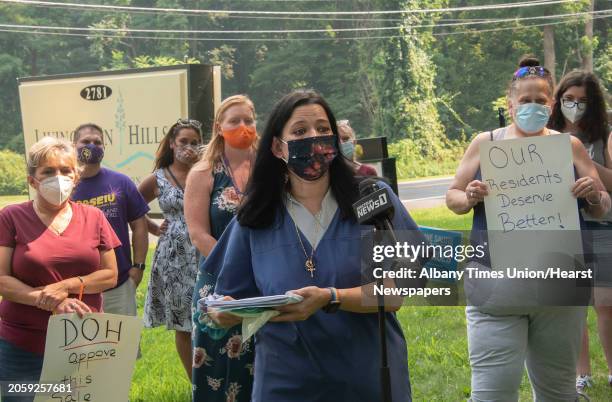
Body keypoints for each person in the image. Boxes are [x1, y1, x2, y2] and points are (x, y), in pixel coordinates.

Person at [206, 89, 420, 401]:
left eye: (323, 129)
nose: (314, 138)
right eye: (300, 131)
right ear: (278, 146)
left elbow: (395, 291)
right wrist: (225, 311)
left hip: (368, 378)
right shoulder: (256, 216)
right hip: (284, 381)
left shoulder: (372, 199)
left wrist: (330, 297)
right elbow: (233, 297)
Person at [446, 56, 611, 402]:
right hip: (495, 287)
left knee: (557, 392)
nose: (532, 106)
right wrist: (469, 196)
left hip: (560, 287)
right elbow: (453, 197)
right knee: (493, 393)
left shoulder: (569, 146)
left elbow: (602, 203)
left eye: (540, 100)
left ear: (550, 105)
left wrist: (592, 194)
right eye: (525, 100)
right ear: (510, 104)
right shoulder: (485, 142)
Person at [0, 137, 119, 401]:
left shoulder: (94, 217)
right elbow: (2, 281)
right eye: (48, 172)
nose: (59, 177)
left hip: (82, 341)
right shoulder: (11, 217)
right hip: (23, 345)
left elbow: (110, 275)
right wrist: (53, 303)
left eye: (66, 170)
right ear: (33, 180)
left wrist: (66, 286)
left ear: (76, 177)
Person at [186, 95, 258, 401]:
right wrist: (236, 266)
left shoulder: (272, 171)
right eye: (234, 121)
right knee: (217, 367)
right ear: (219, 127)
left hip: (263, 279)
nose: (243, 127)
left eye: (249, 120)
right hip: (218, 280)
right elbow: (198, 233)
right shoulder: (203, 173)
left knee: (256, 365)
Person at [548, 70, 612, 392]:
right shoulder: (546, 135)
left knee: (606, 301)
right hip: (565, 227)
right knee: (575, 303)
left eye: (582, 101)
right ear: (558, 101)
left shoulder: (604, 136)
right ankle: (582, 372)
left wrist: (583, 158)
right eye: (568, 99)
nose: (574, 106)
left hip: (602, 225)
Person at [138, 118, 202, 380]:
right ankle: (195, 385)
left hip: (205, 250)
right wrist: (153, 228)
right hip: (174, 256)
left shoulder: (208, 171)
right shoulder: (159, 177)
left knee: (208, 317)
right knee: (183, 324)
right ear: (172, 144)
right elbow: (133, 205)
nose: (189, 147)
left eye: (195, 142)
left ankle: (214, 377)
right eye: (183, 141)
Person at [71, 123, 149, 320]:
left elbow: (139, 225)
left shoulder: (121, 182)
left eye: (98, 142)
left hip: (119, 283)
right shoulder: (66, 186)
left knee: (123, 348)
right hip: (77, 287)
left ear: (104, 148)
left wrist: (138, 268)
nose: (92, 146)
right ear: (74, 146)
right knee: (83, 348)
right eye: (86, 141)